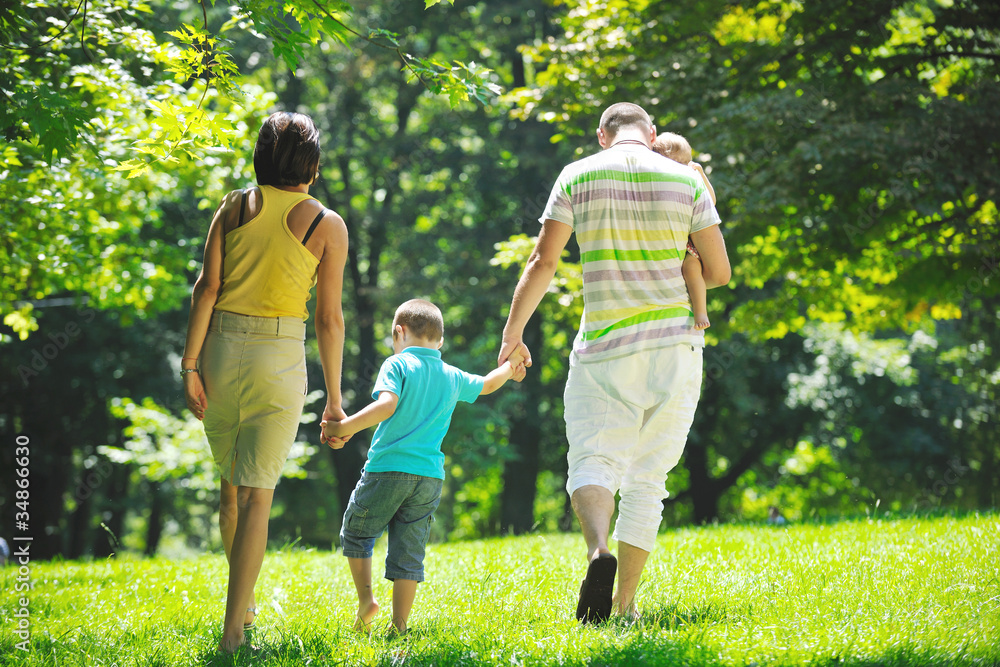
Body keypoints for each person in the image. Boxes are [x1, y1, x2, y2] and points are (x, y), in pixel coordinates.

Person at [498, 102, 731, 623]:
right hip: (676, 346)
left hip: (604, 347)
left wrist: (513, 334)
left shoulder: (576, 175)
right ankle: (624, 606)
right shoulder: (686, 181)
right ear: (650, 134)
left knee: (592, 459)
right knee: (648, 479)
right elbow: (717, 272)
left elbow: (544, 260)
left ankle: (597, 549)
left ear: (603, 135)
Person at [181, 111, 349, 652]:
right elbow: (328, 319)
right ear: (313, 165)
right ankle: (235, 633)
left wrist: (189, 366)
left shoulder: (232, 206)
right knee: (257, 496)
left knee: (230, 489)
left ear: (261, 156)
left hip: (221, 351)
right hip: (279, 355)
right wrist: (336, 401)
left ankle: (243, 607)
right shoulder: (326, 223)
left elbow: (206, 288)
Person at [322, 299, 525, 635]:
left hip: (388, 469)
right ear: (440, 341)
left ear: (398, 332)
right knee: (408, 551)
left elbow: (387, 404)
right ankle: (399, 626)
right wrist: (512, 362)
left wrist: (345, 428)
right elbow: (489, 384)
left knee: (356, 533)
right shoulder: (451, 374)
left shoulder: (398, 364)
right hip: (429, 478)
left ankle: (367, 600)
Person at [651, 131, 718, 330]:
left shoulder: (692, 179)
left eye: (685, 164)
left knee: (691, 270)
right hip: (668, 239)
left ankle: (700, 312)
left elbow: (711, 202)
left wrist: (702, 176)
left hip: (690, 243)